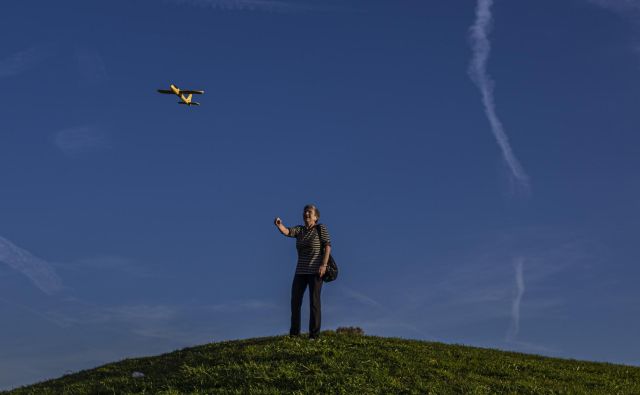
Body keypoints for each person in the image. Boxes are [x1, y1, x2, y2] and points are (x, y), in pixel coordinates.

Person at [274, 204, 331, 339]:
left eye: (309, 212)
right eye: (305, 212)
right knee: (295, 301)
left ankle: (314, 336)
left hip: (316, 270)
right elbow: (287, 231)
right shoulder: (300, 230)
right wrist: (279, 225)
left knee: (314, 303)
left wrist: (324, 265)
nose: (306, 214)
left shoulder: (320, 228)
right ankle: (294, 334)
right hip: (300, 271)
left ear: (316, 217)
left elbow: (327, 247)